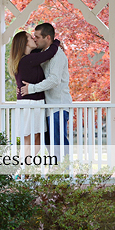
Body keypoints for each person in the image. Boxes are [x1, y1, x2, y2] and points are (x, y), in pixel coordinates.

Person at [20, 23, 72, 154]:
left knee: (58, 142)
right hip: (46, 107)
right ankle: (54, 173)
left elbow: (54, 80)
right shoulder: (43, 53)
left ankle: (63, 173)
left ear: (47, 37)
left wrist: (31, 89)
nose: (35, 39)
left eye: (37, 36)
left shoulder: (57, 55)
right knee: (49, 145)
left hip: (57, 106)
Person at [8, 31, 61, 148]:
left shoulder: (26, 59)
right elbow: (49, 53)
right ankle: (23, 165)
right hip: (31, 104)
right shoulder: (28, 60)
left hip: (32, 103)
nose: (34, 39)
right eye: (30, 38)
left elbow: (40, 52)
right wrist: (56, 42)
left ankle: (26, 165)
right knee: (30, 141)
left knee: (36, 141)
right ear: (25, 43)